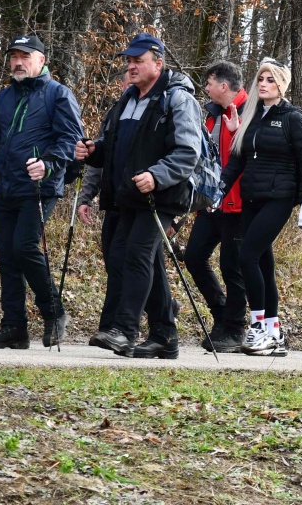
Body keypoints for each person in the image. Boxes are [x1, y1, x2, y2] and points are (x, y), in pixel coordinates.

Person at [0, 35, 83, 350]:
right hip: (7, 187)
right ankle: (14, 328)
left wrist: (48, 164)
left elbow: (70, 141)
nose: (18, 62)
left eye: (25, 56)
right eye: (14, 57)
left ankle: (54, 313)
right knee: (8, 257)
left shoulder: (58, 95)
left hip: (40, 187)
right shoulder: (4, 97)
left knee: (24, 247)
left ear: (41, 60)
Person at [78, 33, 202, 359]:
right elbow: (115, 148)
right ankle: (164, 335)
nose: (131, 67)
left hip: (161, 195)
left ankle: (124, 330)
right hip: (129, 196)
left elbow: (189, 152)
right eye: (129, 61)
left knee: (136, 255)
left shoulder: (177, 99)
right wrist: (93, 151)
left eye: (138, 61)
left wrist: (157, 175)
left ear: (157, 64)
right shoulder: (127, 100)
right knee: (134, 259)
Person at [219, 59, 302, 356]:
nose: (263, 84)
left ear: (282, 85)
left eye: (270, 80)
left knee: (246, 256)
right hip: (252, 197)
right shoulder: (250, 116)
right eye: (260, 78)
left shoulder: (292, 117)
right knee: (263, 263)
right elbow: (238, 159)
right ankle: (273, 331)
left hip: (279, 197)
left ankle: (258, 325)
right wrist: (218, 189)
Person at [184, 60, 249, 353]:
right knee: (194, 256)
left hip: (240, 203)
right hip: (211, 203)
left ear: (223, 86)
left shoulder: (251, 112)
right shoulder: (210, 114)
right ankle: (221, 314)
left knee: (232, 266)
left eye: (209, 83)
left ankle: (235, 330)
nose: (206, 88)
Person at [77, 70, 130, 339]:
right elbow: (100, 158)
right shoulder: (114, 113)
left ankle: (112, 326)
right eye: (127, 80)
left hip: (139, 202)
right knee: (113, 262)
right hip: (112, 200)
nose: (131, 84)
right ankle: (164, 307)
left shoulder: (159, 110)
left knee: (125, 262)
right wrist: (86, 197)